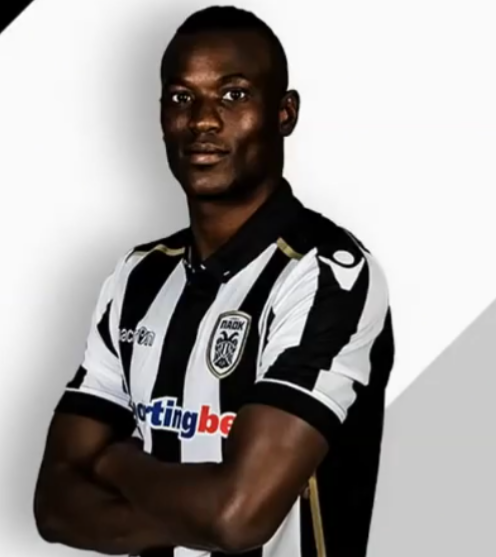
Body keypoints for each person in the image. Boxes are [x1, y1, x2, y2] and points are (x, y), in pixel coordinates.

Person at [33, 5, 394, 557]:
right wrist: (201, 508)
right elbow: (54, 506)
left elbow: (236, 519)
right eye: (182, 97)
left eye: (233, 94)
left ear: (284, 113)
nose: (202, 120)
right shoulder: (138, 277)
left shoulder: (327, 276)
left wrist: (115, 460)